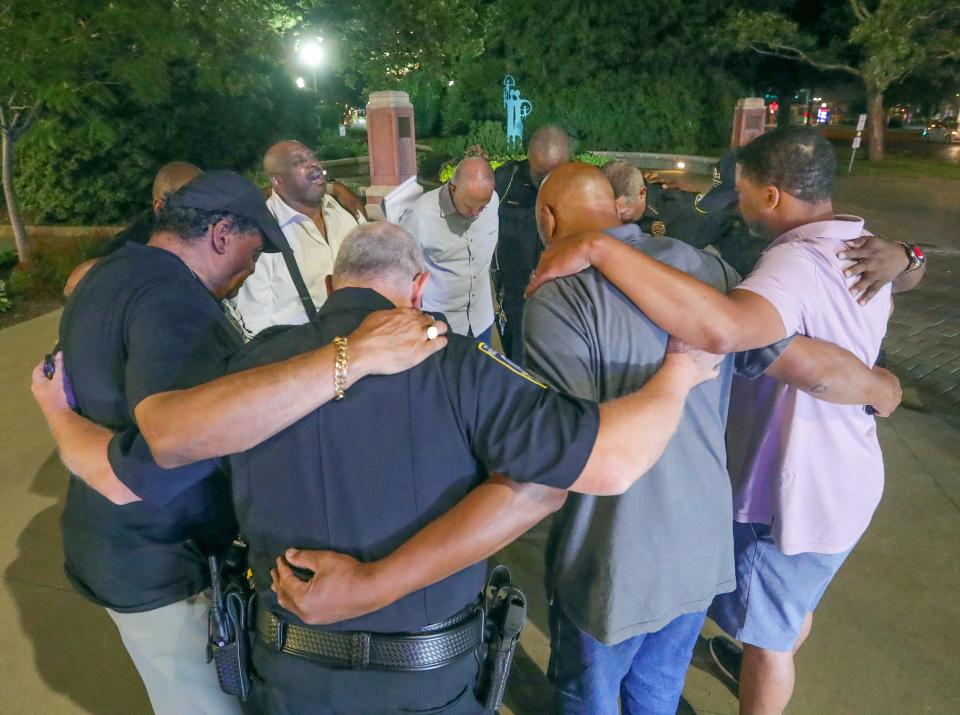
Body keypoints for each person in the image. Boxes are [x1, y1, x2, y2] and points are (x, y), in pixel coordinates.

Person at [221, 221, 724, 713]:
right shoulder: (459, 364)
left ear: (332, 287)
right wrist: (679, 374)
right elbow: (610, 463)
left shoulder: (253, 368)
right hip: (425, 687)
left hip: (284, 677)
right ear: (419, 288)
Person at [527, 127, 920, 715]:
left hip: (666, 533)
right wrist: (883, 373)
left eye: (740, 191)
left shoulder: (558, 294)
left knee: (610, 689)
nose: (732, 203)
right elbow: (798, 352)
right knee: (671, 683)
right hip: (722, 533)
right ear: (619, 207)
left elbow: (741, 337)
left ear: (548, 219)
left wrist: (602, 252)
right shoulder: (731, 264)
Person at [31, 170, 447, 714]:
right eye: (252, 254)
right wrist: (350, 359)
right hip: (165, 566)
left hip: (114, 554)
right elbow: (147, 470)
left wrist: (55, 410)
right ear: (222, 234)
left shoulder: (109, 274)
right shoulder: (176, 306)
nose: (251, 271)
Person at [234, 140, 366, 334]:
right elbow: (256, 323)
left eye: (312, 157)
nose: (313, 164)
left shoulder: (341, 208)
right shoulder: (261, 231)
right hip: (303, 349)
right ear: (277, 181)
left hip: (361, 334)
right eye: (298, 162)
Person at [63, 161, 203, 296]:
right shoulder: (136, 239)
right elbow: (74, 283)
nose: (203, 212)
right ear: (160, 208)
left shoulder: (209, 230)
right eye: (192, 205)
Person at [493, 125, 572, 361]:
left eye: (553, 173)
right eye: (540, 175)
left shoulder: (583, 183)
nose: (546, 182)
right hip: (517, 296)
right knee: (518, 363)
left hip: (564, 296)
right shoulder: (505, 182)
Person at [400, 156, 499, 343]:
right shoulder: (420, 215)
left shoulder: (493, 201)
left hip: (481, 320)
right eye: (470, 206)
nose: (476, 214)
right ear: (453, 189)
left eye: (482, 207)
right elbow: (402, 271)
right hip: (440, 323)